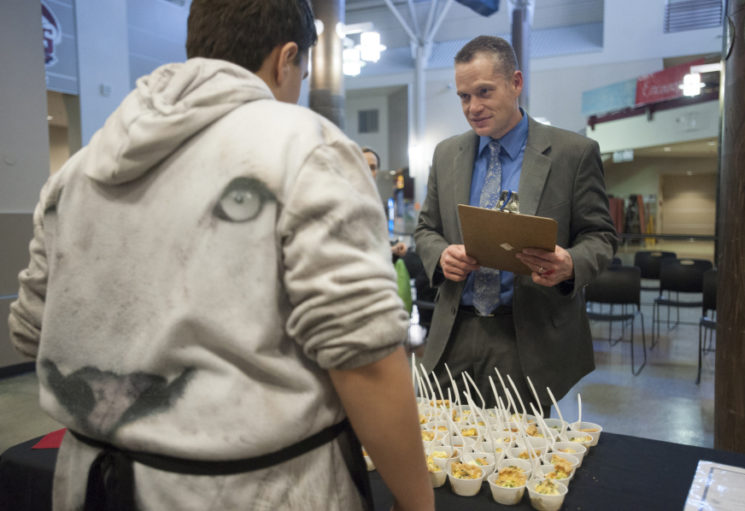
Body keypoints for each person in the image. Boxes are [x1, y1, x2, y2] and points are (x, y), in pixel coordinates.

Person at [7, 1, 433, 510]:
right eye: (298, 74)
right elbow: (365, 362)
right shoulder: (304, 145)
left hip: (92, 485)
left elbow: (31, 332)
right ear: (286, 59)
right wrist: (416, 502)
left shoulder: (77, 171)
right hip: (254, 490)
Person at [414, 36, 617, 413]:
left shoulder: (572, 154)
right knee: (442, 450)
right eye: (463, 96)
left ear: (516, 83)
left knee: (514, 460)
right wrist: (441, 255)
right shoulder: (446, 155)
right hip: (454, 330)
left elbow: (601, 236)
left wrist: (570, 264)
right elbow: (426, 229)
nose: (473, 107)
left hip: (524, 335)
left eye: (484, 92)